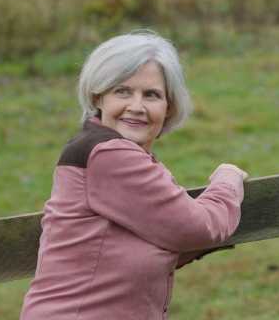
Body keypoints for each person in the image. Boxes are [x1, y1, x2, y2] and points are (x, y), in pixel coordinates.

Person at [20, 31, 247, 319]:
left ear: (169, 107)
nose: (136, 106)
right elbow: (197, 228)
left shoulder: (118, 155)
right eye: (122, 91)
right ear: (98, 96)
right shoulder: (107, 154)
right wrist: (227, 181)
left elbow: (156, 239)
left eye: (151, 95)